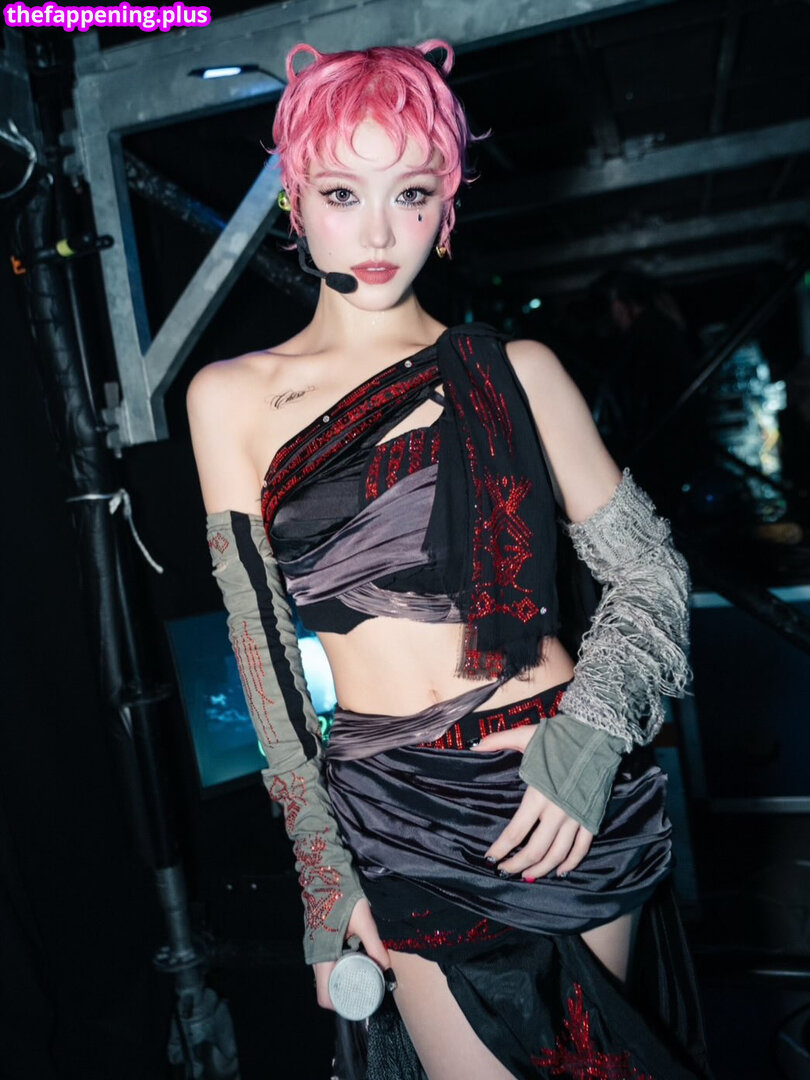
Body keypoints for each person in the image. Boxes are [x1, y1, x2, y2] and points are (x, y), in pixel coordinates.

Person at [187, 41, 711, 1079]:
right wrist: (320, 866)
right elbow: (263, 655)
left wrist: (589, 742)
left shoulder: (520, 370)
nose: (381, 232)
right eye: (344, 193)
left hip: (553, 791)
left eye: (412, 193)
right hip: (395, 810)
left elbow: (651, 574)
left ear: (449, 199)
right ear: (295, 199)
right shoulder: (230, 397)